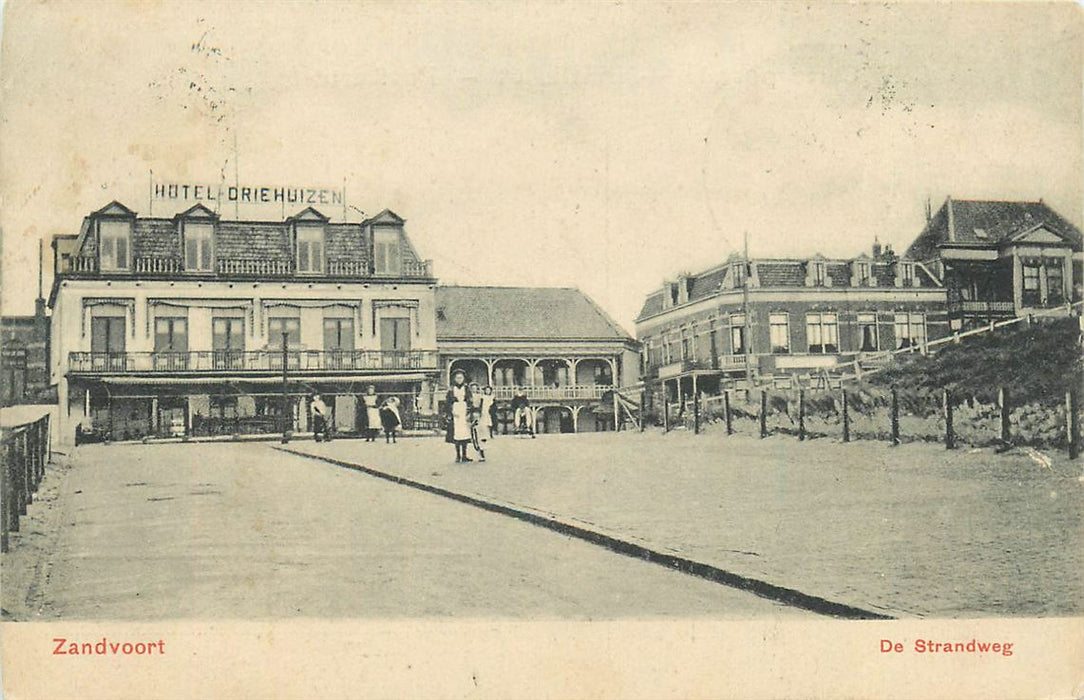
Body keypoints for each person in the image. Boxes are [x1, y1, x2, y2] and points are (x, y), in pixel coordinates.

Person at [444, 369, 474, 462]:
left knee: (464, 433)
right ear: (454, 379)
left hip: (464, 410)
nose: (459, 379)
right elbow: (447, 402)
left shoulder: (466, 388)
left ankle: (464, 455)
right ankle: (458, 455)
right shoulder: (451, 389)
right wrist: (450, 412)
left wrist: (469, 412)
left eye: (461, 378)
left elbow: (470, 400)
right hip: (455, 410)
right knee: (456, 434)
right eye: (457, 378)